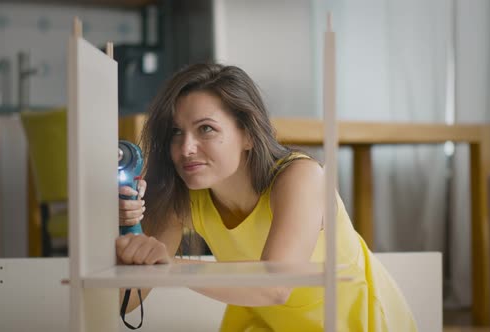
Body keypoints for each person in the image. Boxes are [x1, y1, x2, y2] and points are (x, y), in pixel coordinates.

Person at [116, 63, 417, 331]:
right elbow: (129, 299)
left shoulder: (300, 176)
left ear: (248, 134)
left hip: (352, 320)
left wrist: (168, 264)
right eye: (175, 133)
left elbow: (276, 287)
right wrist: (128, 234)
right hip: (269, 321)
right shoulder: (187, 193)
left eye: (205, 129)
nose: (186, 148)